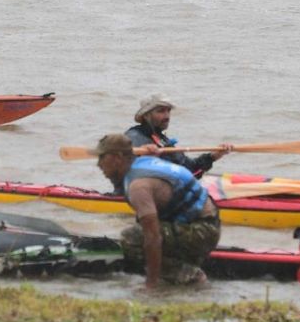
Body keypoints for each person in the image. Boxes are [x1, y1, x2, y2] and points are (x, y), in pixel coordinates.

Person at [92, 133, 221, 289]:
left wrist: (150, 283)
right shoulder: (144, 162)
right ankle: (184, 262)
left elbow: (152, 237)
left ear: (117, 158)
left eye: (102, 158)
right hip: (205, 221)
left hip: (204, 230)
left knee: (131, 237)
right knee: (142, 231)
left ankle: (190, 275)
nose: (98, 165)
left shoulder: (138, 187)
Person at [122, 95, 232, 183]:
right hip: (141, 194)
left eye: (168, 111)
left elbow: (190, 170)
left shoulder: (162, 140)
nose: (167, 116)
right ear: (146, 115)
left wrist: (215, 155)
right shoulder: (133, 137)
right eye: (161, 111)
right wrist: (148, 156)